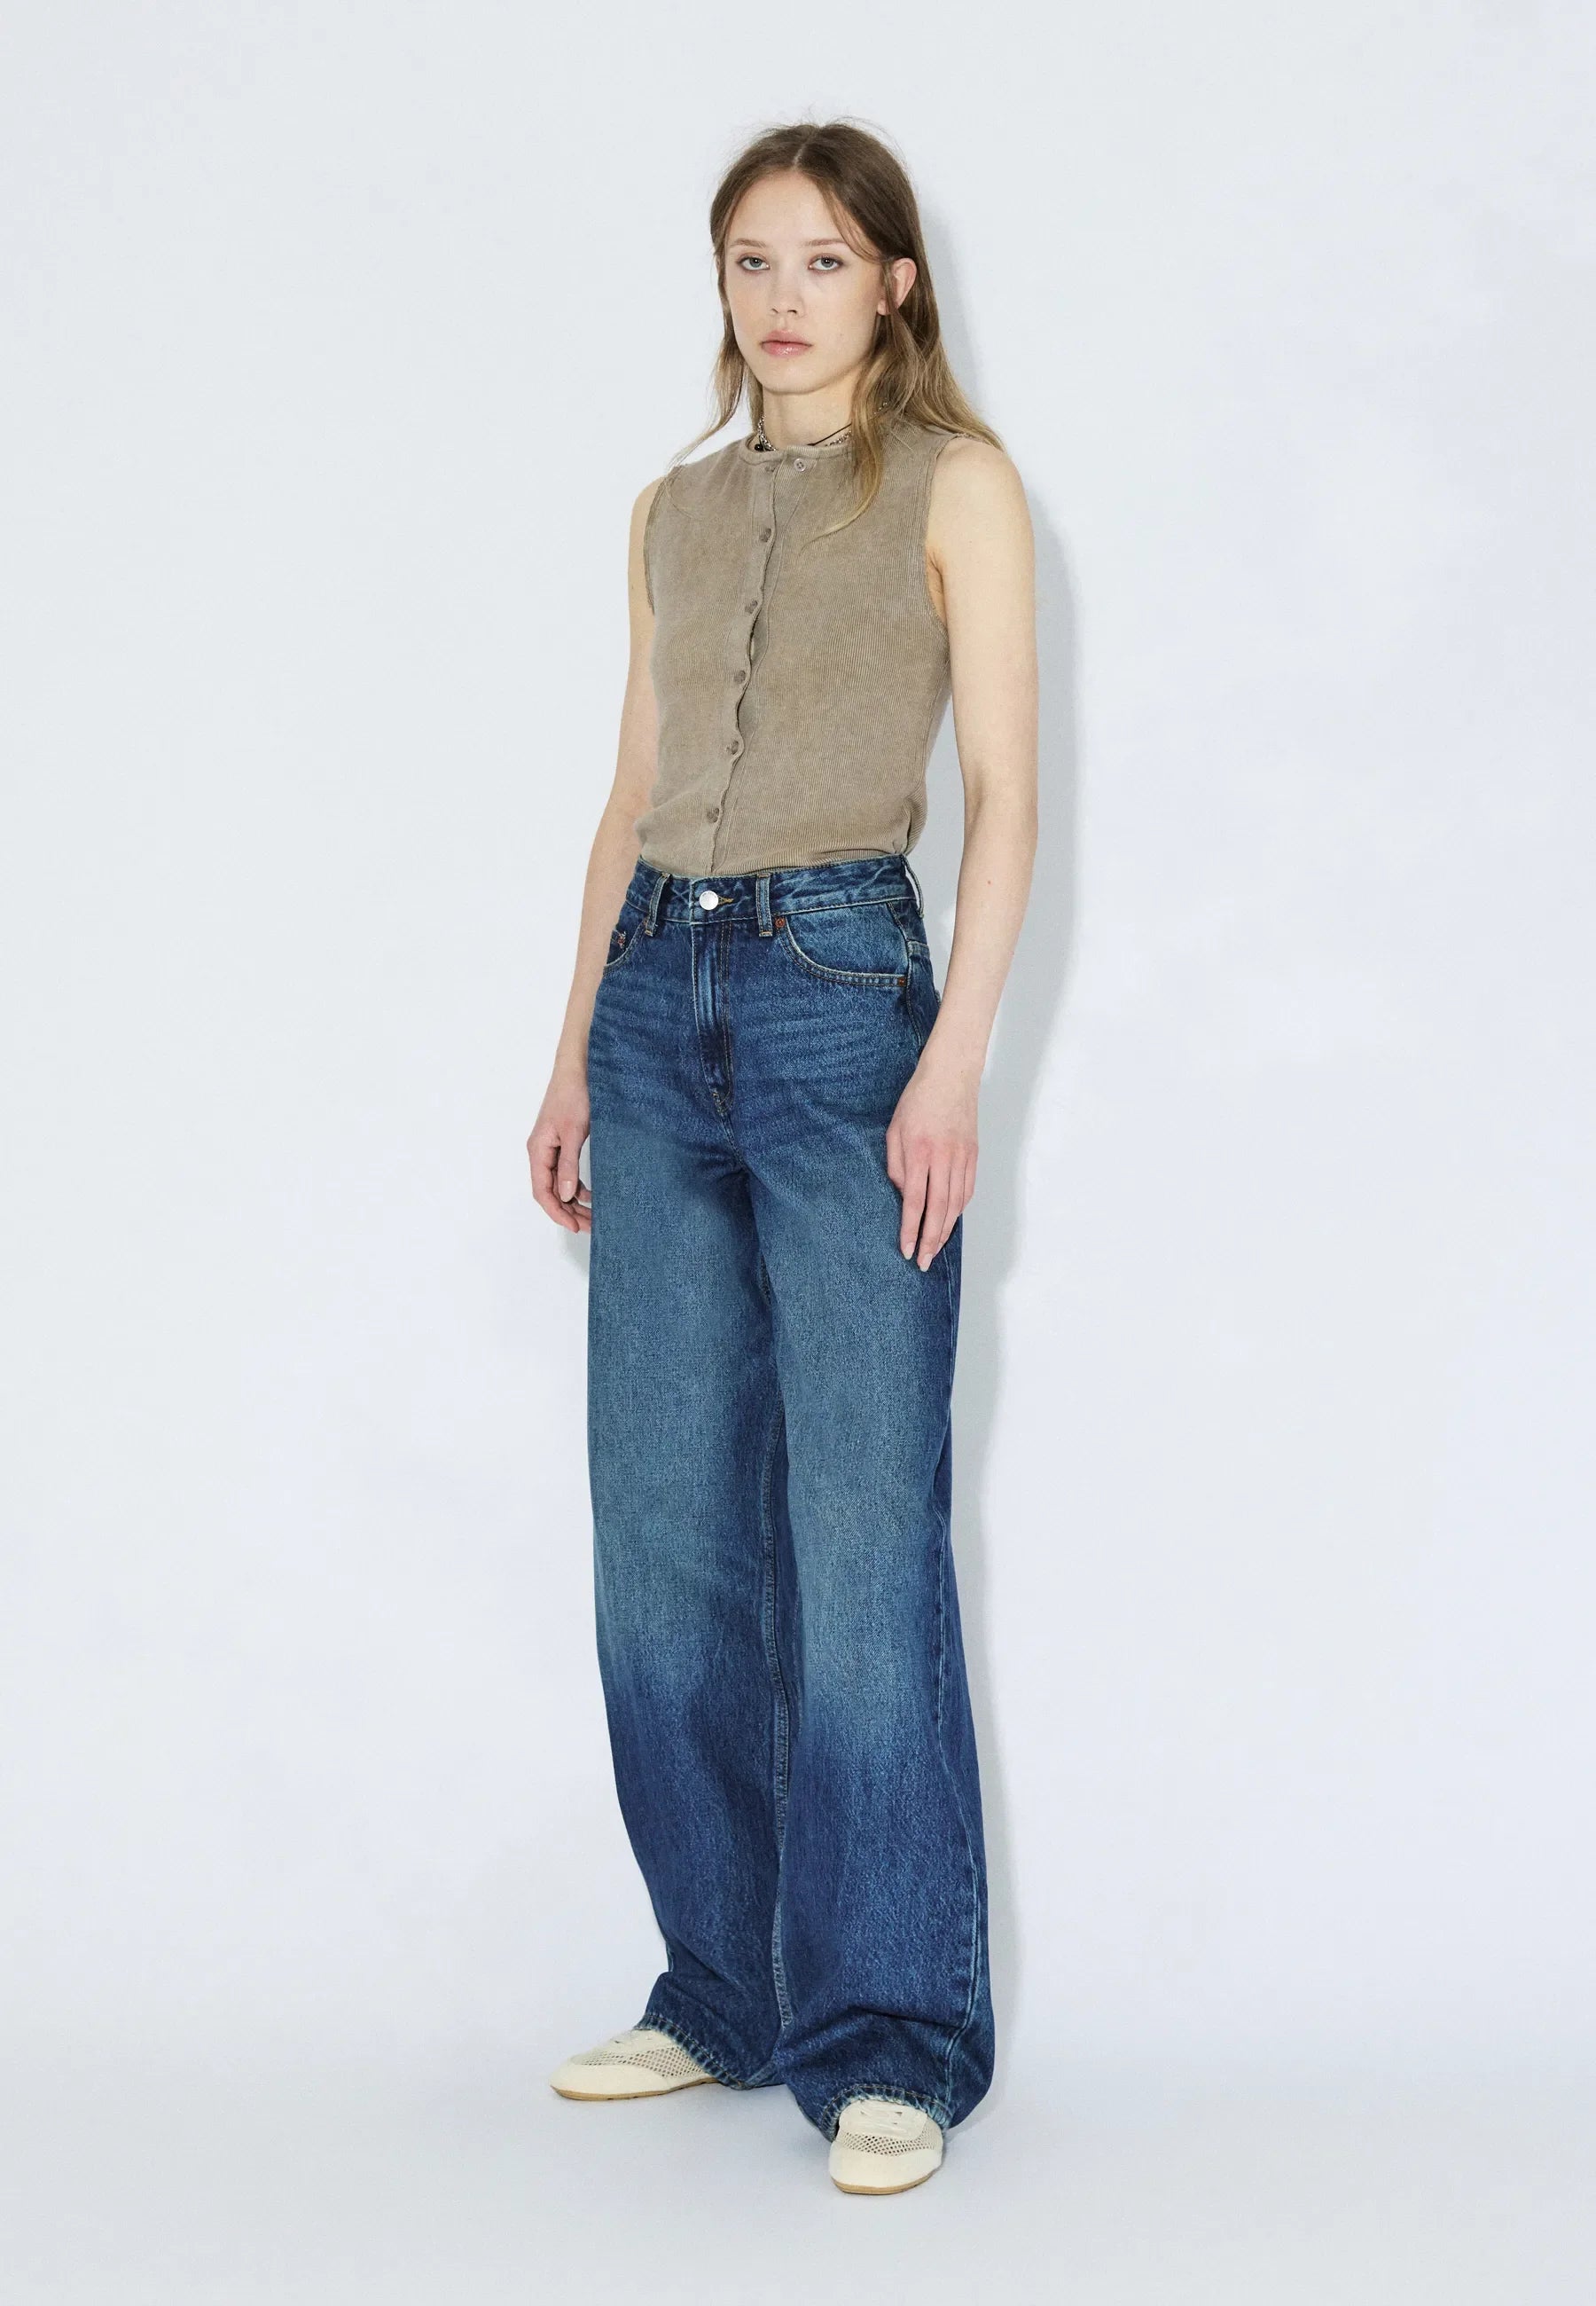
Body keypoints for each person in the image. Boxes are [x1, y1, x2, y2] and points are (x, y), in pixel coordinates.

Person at [528, 117, 1037, 2195]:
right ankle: (722, 1984)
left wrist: (953, 1065)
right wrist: (574, 1053)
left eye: (824, 258)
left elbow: (1003, 792)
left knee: (861, 1528)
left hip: (844, 1001)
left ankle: (891, 2027)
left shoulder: (958, 484)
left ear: (894, 281)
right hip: (658, 1004)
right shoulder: (670, 509)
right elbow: (629, 793)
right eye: (752, 259)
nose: (784, 297)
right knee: (663, 1525)